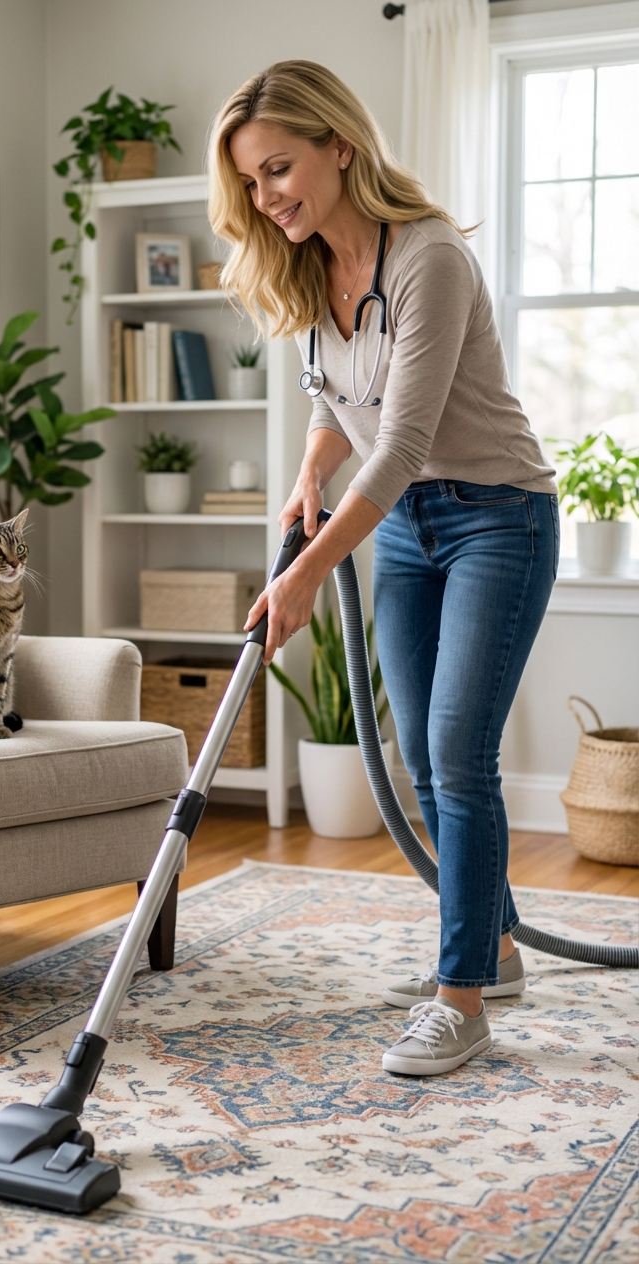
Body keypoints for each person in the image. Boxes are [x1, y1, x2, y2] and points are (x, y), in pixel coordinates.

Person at [208, 61, 559, 1077]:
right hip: (401, 526)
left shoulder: (429, 258)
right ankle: (489, 945)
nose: (269, 196)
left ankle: (461, 1001)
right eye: (252, 181)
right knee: (417, 754)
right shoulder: (310, 263)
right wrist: (306, 475)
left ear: (338, 148)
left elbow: (401, 441)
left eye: (279, 167)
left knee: (459, 748)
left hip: (497, 517)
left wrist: (307, 573)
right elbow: (337, 403)